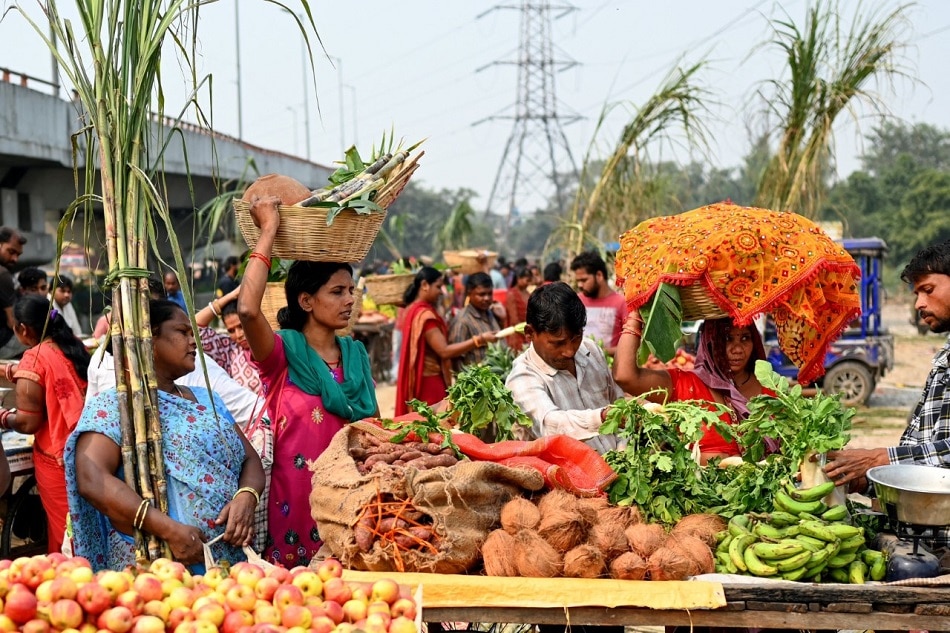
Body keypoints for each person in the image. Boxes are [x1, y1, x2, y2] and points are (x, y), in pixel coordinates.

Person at [65, 299, 264, 571]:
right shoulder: (117, 407)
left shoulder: (208, 400)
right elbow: (91, 478)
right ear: (149, 338)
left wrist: (246, 496)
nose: (194, 342)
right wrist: (168, 529)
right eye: (183, 332)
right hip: (159, 565)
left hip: (228, 562)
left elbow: (250, 460)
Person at [238, 195, 378, 568]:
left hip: (350, 504)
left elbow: (374, 431)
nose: (350, 299)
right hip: (294, 510)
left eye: (350, 290)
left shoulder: (356, 355)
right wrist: (268, 230)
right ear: (306, 300)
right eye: (337, 291)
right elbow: (248, 310)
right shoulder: (283, 354)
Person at [824, 239, 950, 493]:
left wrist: (878, 459)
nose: (919, 304)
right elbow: (917, 448)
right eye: (917, 294)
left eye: (928, 289)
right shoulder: (943, 358)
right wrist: (860, 479)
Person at [613, 313, 771, 464]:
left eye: (745, 338)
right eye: (727, 339)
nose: (737, 349)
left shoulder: (770, 388)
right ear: (710, 340)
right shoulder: (686, 385)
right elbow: (625, 376)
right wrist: (635, 316)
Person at [0, 295, 89, 553]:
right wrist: (8, 370)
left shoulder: (35, 358)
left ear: (23, 329)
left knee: (65, 531)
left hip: (56, 458)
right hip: (88, 452)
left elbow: (28, 423)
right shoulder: (73, 346)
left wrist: (3, 416)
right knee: (85, 527)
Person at [505, 282, 622, 455]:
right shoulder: (522, 378)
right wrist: (603, 416)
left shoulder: (590, 350)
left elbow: (617, 401)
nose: (569, 351)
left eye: (576, 338)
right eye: (557, 343)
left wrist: (623, 451)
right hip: (568, 479)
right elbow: (552, 425)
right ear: (530, 333)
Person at [396, 267, 498, 415]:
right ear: (425, 285)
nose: (440, 292)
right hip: (429, 383)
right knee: (434, 425)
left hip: (424, 379)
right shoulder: (425, 315)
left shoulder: (412, 309)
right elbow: (444, 351)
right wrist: (479, 340)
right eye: (438, 287)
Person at [570, 251, 627, 355]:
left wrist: (600, 352)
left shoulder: (621, 303)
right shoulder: (576, 300)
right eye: (578, 281)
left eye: (584, 280)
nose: (580, 285)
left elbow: (631, 346)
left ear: (599, 275)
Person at [447, 272, 504, 373]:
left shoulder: (490, 313)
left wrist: (502, 319)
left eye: (489, 294)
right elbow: (455, 358)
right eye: (481, 294)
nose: (486, 298)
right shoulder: (462, 320)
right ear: (469, 293)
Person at [0, 228, 27, 360]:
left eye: (18, 254)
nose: (15, 259)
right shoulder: (3, 274)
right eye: (11, 252)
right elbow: (12, 323)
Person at [505, 266, 532, 352]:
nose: (528, 283)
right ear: (518, 279)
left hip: (527, 332)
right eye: (527, 280)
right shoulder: (512, 294)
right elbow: (514, 320)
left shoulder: (527, 293)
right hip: (517, 334)